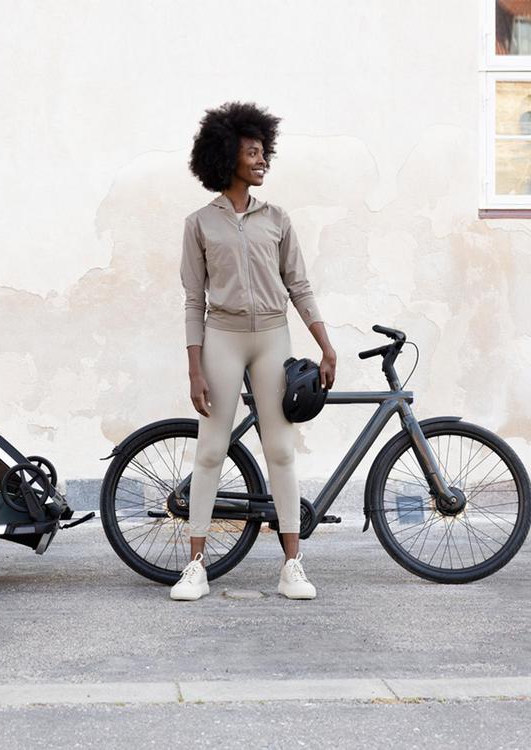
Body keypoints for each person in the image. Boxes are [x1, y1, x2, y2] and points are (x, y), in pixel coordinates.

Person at [172, 101, 337, 601]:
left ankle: (292, 566)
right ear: (227, 158)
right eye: (252, 152)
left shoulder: (277, 220)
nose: (262, 160)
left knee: (281, 451)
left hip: (272, 337)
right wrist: (194, 368)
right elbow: (193, 301)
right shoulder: (200, 224)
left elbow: (299, 286)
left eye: (264, 151)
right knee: (210, 451)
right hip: (221, 337)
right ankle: (196, 566)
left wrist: (325, 345)